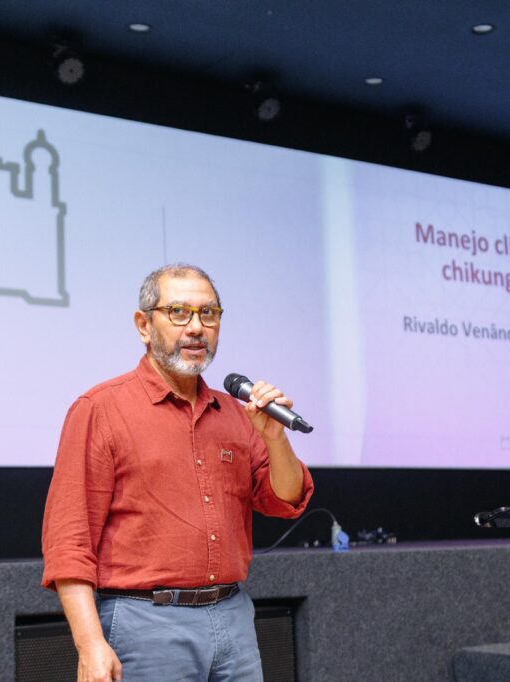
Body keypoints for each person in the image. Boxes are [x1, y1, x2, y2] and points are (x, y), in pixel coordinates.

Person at [41, 263, 314, 682]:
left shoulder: (237, 415)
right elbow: (69, 541)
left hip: (234, 619)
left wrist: (276, 438)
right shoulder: (100, 409)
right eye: (179, 312)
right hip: (144, 622)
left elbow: (285, 500)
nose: (196, 328)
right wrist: (89, 644)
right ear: (144, 325)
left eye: (209, 314)